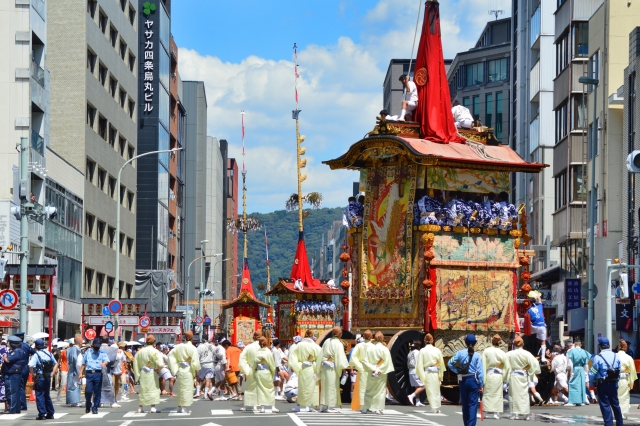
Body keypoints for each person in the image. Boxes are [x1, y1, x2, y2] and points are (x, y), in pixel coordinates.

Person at [448, 334, 484, 426]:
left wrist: (457, 371)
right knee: (473, 404)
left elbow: (450, 363)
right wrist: (481, 385)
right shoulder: (477, 355)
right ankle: (471, 424)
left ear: (465, 343)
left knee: (465, 404)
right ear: (475, 343)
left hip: (463, 379)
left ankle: (466, 423)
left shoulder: (460, 353)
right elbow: (480, 372)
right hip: (473, 379)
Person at [505, 335, 541, 420]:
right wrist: (529, 369)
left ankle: (514, 414)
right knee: (524, 395)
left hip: (514, 376)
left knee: (513, 395)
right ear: (523, 344)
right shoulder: (527, 354)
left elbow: (503, 362)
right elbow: (535, 363)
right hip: (523, 376)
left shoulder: (509, 354)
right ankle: (526, 414)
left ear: (514, 344)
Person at [589, 337, 623, 426]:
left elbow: (592, 372)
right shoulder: (616, 356)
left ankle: (608, 424)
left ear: (599, 346)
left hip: (603, 385)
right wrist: (616, 382)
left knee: (605, 405)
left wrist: (591, 384)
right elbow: (619, 371)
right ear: (609, 345)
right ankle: (620, 424)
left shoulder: (598, 357)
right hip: (613, 384)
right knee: (616, 405)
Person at [360, 332, 394, 415]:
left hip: (371, 371)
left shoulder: (369, 348)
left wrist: (372, 368)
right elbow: (387, 362)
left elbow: (365, 361)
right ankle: (378, 409)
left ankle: (365, 408)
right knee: (380, 391)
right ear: (382, 338)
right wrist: (378, 369)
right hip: (380, 373)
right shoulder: (384, 349)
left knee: (369, 390)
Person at [167, 331, 201, 414]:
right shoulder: (193, 348)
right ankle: (184, 407)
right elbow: (195, 362)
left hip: (180, 369)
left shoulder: (178, 347)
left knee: (181, 389)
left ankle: (179, 407)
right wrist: (197, 373)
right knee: (187, 389)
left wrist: (176, 365)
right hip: (188, 370)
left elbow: (170, 355)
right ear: (192, 337)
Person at [289, 329, 321, 413]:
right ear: (312, 336)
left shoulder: (299, 346)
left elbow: (293, 357)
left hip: (302, 368)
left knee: (301, 388)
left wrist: (298, 365)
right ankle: (309, 406)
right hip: (311, 369)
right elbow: (320, 359)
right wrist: (316, 366)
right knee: (312, 388)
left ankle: (298, 406)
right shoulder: (316, 346)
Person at [319, 326, 349, 413]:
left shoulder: (326, 341)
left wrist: (319, 366)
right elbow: (340, 358)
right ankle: (330, 407)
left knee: (325, 386)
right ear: (339, 334)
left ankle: (323, 405)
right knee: (331, 386)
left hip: (324, 366)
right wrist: (344, 369)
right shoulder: (338, 343)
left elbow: (321, 354)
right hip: (332, 367)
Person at [79, 337, 110, 414]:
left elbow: (106, 360)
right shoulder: (88, 352)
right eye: (96, 345)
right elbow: (83, 363)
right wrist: (80, 373)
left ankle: (95, 407)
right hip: (89, 373)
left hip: (98, 373)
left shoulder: (102, 353)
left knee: (97, 392)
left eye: (98, 345)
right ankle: (88, 403)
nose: (97, 347)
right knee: (88, 391)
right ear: (93, 345)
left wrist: (104, 363)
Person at [29, 338, 58, 420]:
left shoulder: (36, 355)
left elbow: (30, 365)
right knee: (47, 395)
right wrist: (52, 372)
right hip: (48, 377)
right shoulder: (49, 354)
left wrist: (33, 373)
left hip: (40, 377)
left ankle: (42, 414)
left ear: (36, 346)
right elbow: (56, 363)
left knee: (40, 395)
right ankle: (50, 413)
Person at [415, 333, 445, 412]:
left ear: (424, 341)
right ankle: (437, 407)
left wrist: (420, 375)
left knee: (430, 390)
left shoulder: (422, 350)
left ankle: (433, 407)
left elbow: (419, 364)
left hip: (428, 372)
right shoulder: (437, 350)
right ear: (432, 341)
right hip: (436, 372)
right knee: (436, 390)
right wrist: (440, 374)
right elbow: (441, 362)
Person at [133, 335, 163, 414]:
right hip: (152, 373)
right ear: (154, 342)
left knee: (143, 390)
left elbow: (135, 363)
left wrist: (137, 374)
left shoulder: (140, 351)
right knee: (153, 390)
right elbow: (161, 363)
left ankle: (140, 407)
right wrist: (158, 370)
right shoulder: (155, 351)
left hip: (143, 372)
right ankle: (152, 407)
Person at [481, 334, 507, 419]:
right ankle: (496, 413)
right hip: (498, 375)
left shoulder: (486, 351)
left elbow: (483, 365)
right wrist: (504, 377)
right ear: (500, 342)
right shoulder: (502, 353)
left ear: (492, 341)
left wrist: (483, 379)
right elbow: (507, 366)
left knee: (487, 393)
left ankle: (484, 412)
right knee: (498, 394)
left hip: (489, 374)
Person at [254, 337, 279, 413]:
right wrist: (272, 373)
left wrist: (255, 371)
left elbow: (254, 363)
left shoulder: (258, 352)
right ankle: (272, 406)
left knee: (260, 390)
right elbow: (272, 364)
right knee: (270, 389)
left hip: (259, 372)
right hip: (267, 371)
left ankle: (262, 407)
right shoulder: (268, 352)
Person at [349, 330, 372, 411]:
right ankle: (368, 405)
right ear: (371, 337)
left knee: (362, 387)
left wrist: (359, 366)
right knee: (370, 387)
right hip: (370, 369)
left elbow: (353, 357)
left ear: (364, 336)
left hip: (362, 368)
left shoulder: (359, 346)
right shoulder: (372, 346)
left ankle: (363, 406)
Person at [3, 336, 27, 414]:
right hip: (16, 373)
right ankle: (16, 408)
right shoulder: (21, 351)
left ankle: (12, 408)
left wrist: (4, 356)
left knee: (11, 391)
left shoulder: (16, 352)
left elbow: (8, 360)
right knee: (16, 392)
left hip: (12, 373)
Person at [239, 331, 262, 412]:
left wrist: (245, 369)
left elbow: (242, 358)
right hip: (262, 369)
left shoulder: (248, 347)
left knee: (249, 388)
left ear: (253, 337)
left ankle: (246, 405)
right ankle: (256, 406)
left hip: (251, 368)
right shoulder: (263, 347)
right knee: (259, 388)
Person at [14, 332, 35, 411]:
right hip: (26, 367)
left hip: (18, 368)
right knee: (22, 386)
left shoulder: (16, 346)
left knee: (19, 387)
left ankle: (22, 404)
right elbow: (35, 353)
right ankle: (21, 403)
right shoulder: (27, 346)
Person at [617, 340, 636, 419]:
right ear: (626, 348)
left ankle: (616, 412)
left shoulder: (614, 356)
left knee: (615, 396)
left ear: (618, 347)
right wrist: (631, 381)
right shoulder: (628, 358)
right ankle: (621, 412)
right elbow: (632, 371)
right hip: (624, 379)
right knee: (624, 396)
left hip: (614, 379)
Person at [566, 339, 590, 406]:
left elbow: (570, 364)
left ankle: (572, 400)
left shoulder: (571, 351)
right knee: (581, 385)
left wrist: (569, 371)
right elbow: (586, 364)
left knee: (573, 384)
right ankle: (582, 400)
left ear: (574, 344)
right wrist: (585, 373)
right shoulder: (584, 352)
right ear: (581, 345)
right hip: (582, 369)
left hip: (575, 368)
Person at [526, 290, 548, 361]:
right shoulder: (540, 306)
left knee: (526, 333)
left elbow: (527, 320)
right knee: (543, 340)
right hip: (541, 326)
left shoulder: (529, 310)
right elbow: (539, 299)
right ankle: (543, 357)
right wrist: (537, 296)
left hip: (534, 326)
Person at [99, 336, 119, 408]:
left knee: (99, 386)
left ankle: (100, 402)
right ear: (108, 341)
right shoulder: (112, 349)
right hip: (107, 369)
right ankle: (112, 402)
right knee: (110, 386)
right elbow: (114, 359)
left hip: (98, 369)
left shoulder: (97, 348)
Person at [406, 340, 425, 407]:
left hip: (411, 371)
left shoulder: (410, 353)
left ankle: (417, 401)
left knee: (417, 386)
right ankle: (412, 396)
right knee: (423, 385)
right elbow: (419, 363)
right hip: (416, 370)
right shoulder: (418, 353)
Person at [65, 336, 83, 407]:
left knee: (71, 385)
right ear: (79, 342)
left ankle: (72, 401)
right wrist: (80, 372)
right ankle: (75, 401)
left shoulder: (69, 349)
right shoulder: (77, 350)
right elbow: (78, 363)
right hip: (76, 369)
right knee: (75, 385)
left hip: (71, 368)